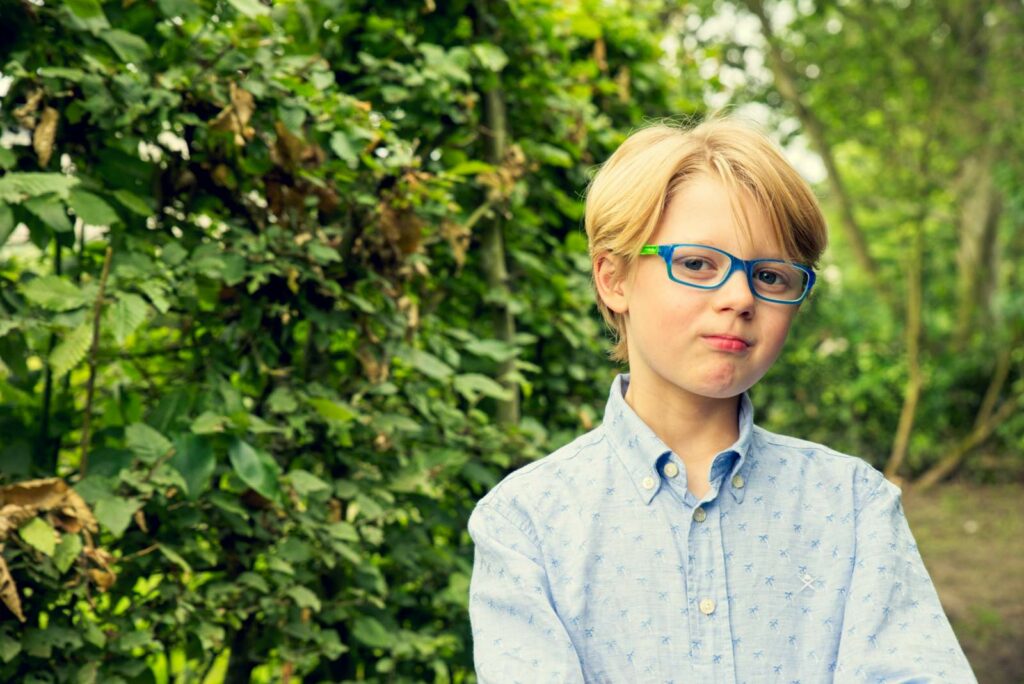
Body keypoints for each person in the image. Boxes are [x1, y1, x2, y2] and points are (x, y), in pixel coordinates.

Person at [466, 118, 976, 682]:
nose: (739, 297)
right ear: (613, 278)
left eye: (771, 275)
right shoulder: (525, 523)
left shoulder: (855, 508)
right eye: (697, 264)